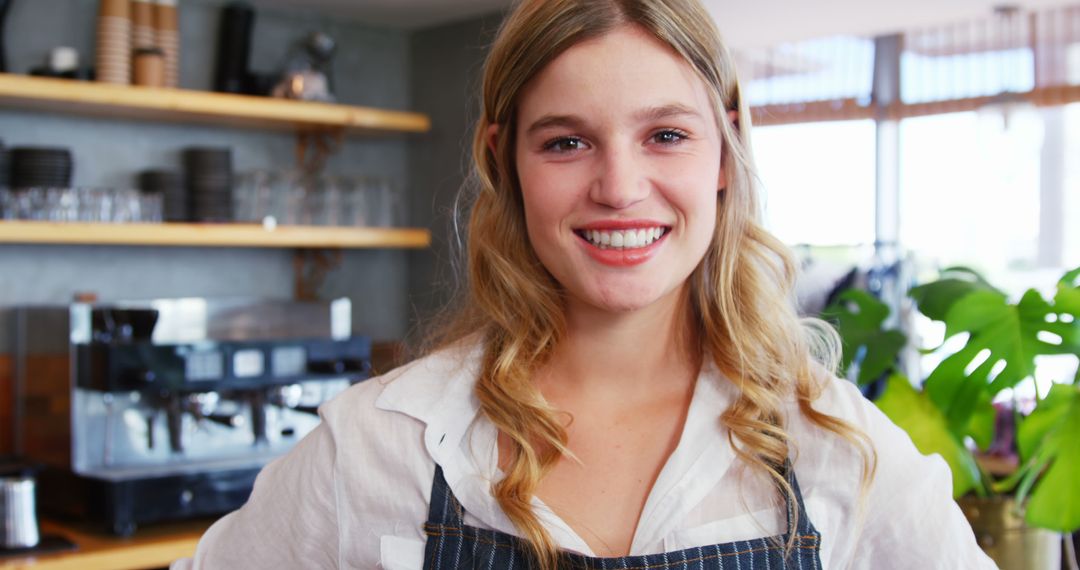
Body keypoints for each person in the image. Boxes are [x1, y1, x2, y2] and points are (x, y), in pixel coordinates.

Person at [175, 0, 997, 568]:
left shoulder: (834, 450)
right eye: (566, 143)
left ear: (726, 149)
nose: (619, 187)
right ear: (506, 160)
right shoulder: (376, 445)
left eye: (666, 135)